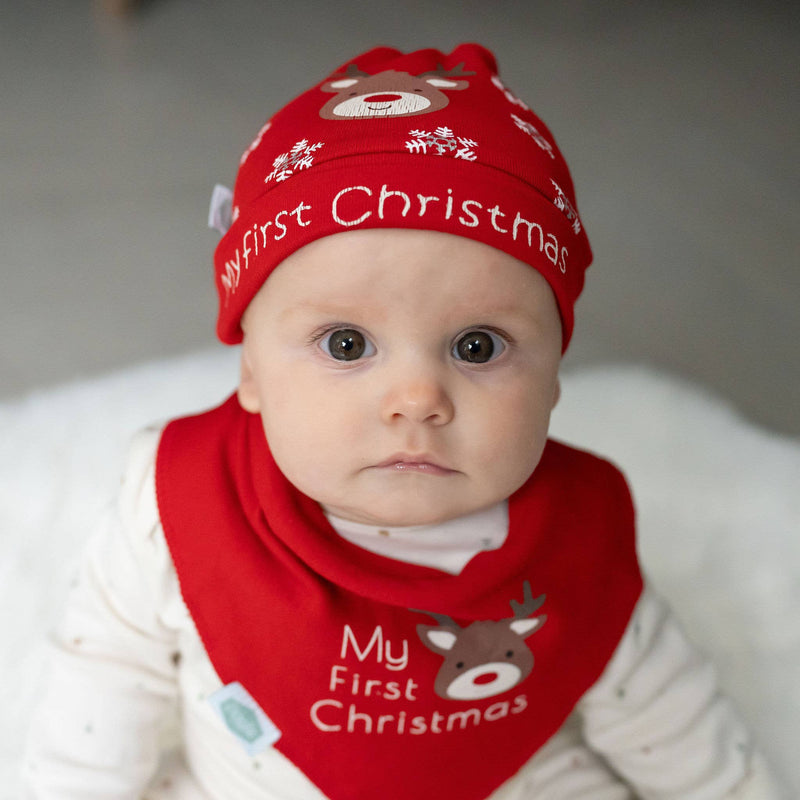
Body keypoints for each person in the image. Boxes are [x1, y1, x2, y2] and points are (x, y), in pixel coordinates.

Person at [21, 44, 784, 800]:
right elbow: (105, 683)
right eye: (347, 345)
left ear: (553, 376)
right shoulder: (178, 504)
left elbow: (670, 720)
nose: (417, 398)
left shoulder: (579, 537)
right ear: (250, 369)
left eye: (478, 346)